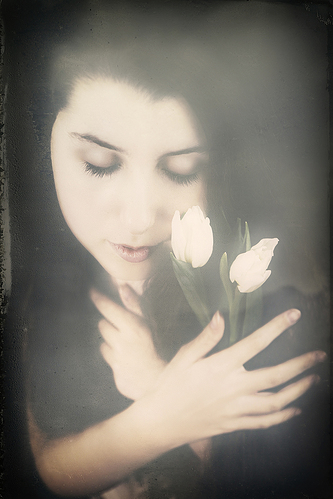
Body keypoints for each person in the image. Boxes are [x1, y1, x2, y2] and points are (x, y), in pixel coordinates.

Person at [4, 2, 329, 498]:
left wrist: (163, 393)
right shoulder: (45, 284)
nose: (138, 219)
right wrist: (161, 415)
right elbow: (47, 468)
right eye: (99, 163)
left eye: (180, 171)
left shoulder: (267, 296)